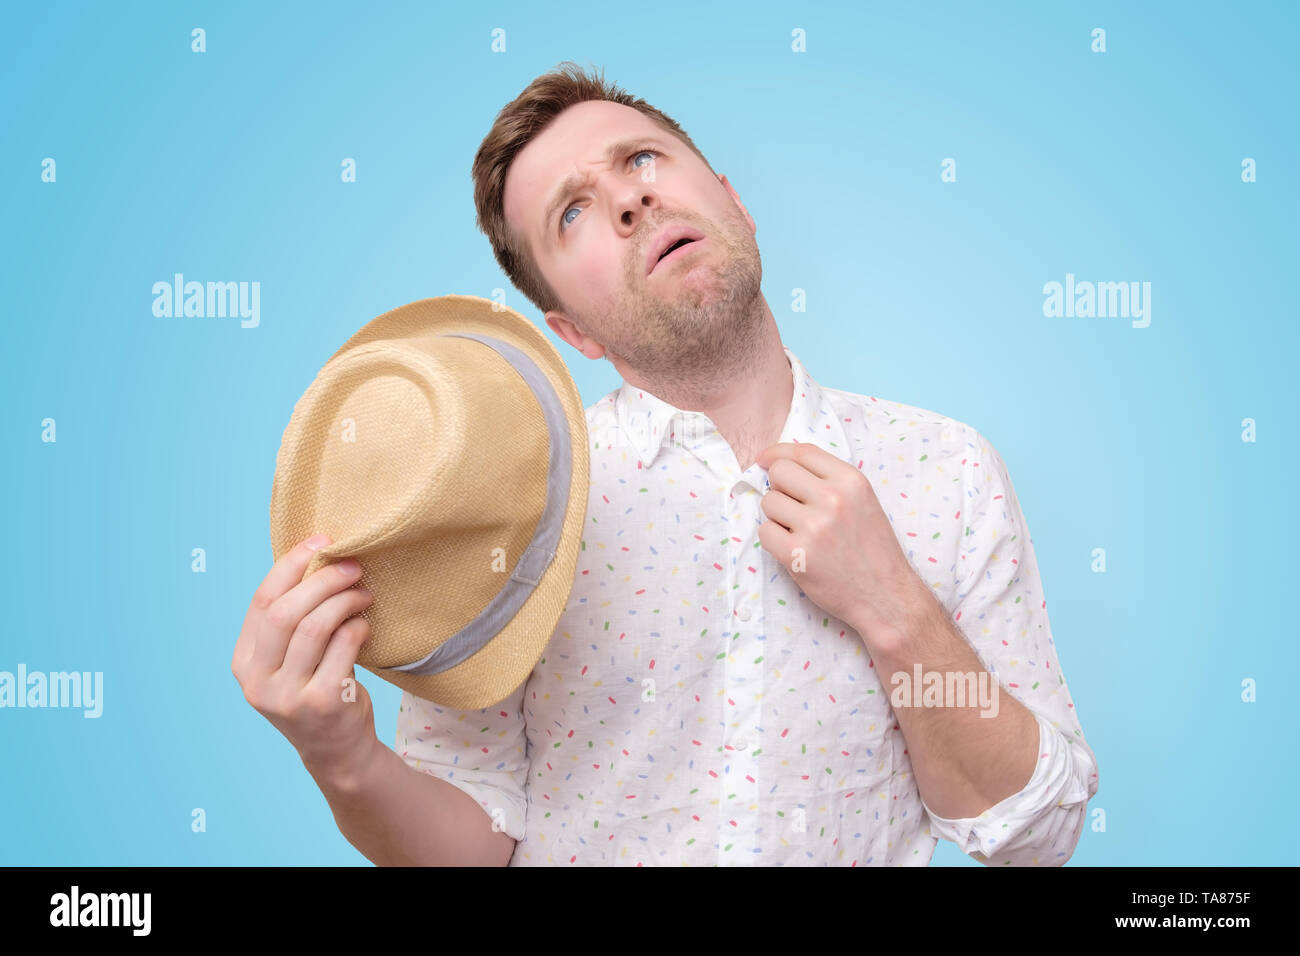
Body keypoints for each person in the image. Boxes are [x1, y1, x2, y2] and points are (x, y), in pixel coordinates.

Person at [232, 61, 1099, 867]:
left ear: (732, 201)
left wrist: (896, 609)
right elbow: (474, 841)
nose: (631, 200)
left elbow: (1036, 834)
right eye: (572, 212)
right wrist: (340, 755)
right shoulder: (517, 502)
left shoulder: (945, 470)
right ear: (571, 329)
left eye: (642, 158)